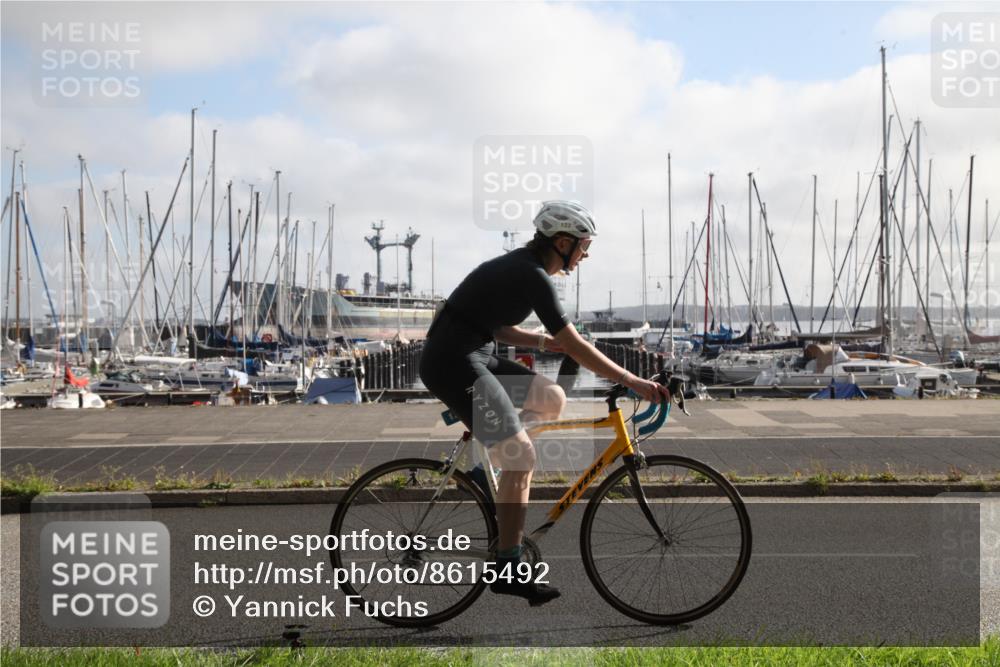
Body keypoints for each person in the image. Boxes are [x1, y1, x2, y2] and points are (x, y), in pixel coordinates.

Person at [419, 200, 668, 606]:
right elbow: (575, 343)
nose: (585, 255)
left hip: (473, 353)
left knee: (552, 397)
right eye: (584, 246)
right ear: (564, 242)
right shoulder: (532, 275)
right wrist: (631, 381)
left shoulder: (523, 269)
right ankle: (507, 567)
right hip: (452, 362)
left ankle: (492, 462)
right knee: (522, 457)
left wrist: (539, 342)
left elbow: (495, 325)